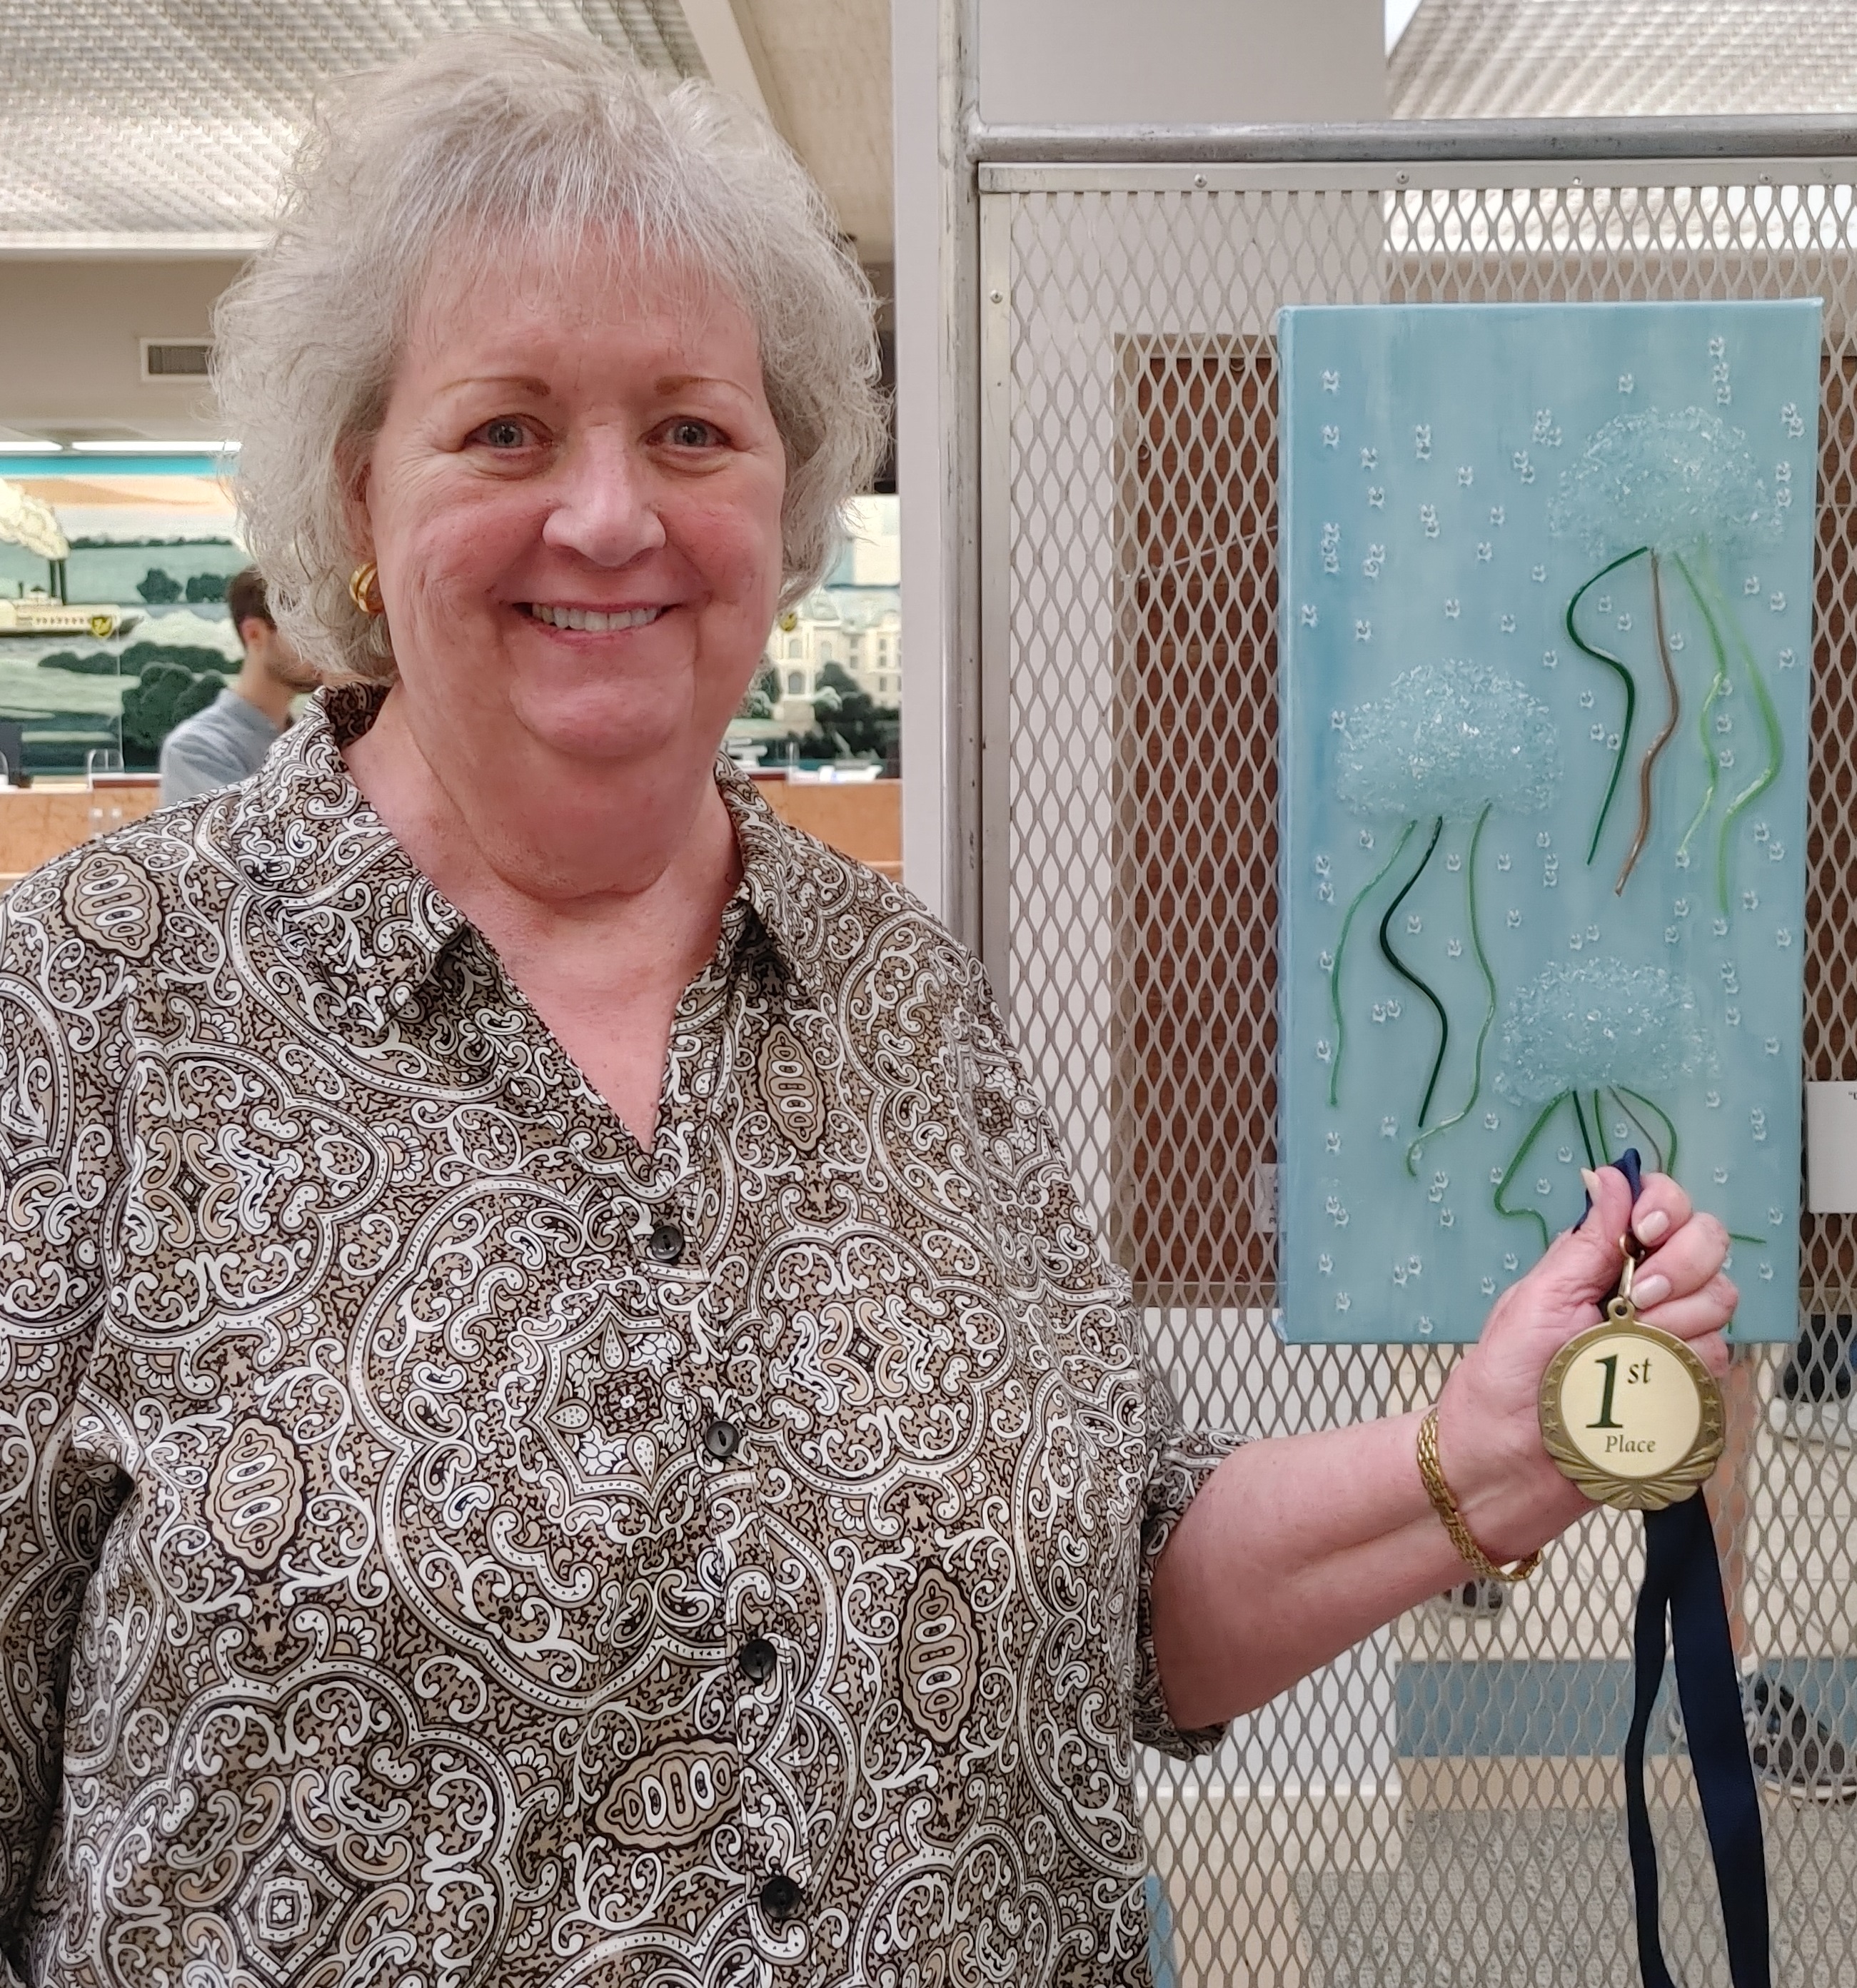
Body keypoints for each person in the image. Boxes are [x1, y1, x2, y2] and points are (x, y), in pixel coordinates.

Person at [0, 34, 1736, 1988]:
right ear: (356, 495)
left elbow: (1132, 1600)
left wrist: (1481, 1454)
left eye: (691, 431)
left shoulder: (894, 987)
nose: (609, 516)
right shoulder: (82, 1013)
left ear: (790, 500)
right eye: (505, 431)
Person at [156, 564, 321, 802]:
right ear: (254, 634)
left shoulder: (312, 740)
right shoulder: (196, 749)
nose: (321, 649)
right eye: (305, 634)